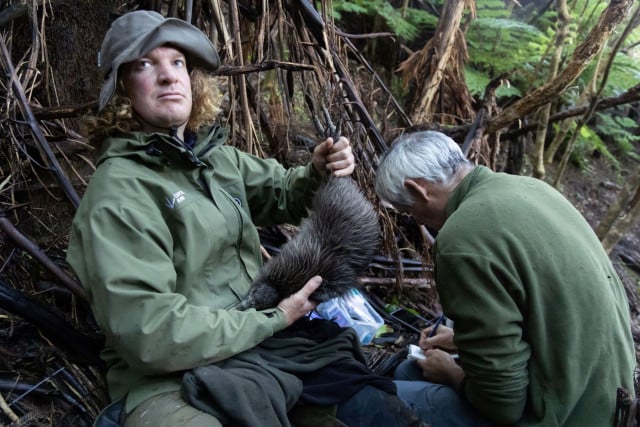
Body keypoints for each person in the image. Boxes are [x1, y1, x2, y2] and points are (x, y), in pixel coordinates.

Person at [67, 10, 424, 427]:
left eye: (177, 62)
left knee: (379, 412)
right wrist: (271, 318)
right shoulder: (118, 194)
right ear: (122, 89)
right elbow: (151, 334)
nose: (168, 76)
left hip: (265, 347)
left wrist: (320, 169)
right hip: (172, 378)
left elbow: (284, 193)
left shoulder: (215, 159)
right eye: (145, 65)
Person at [376, 130, 637, 426]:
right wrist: (464, 342)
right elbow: (544, 312)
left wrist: (452, 373)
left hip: (563, 415)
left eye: (409, 210)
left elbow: (502, 404)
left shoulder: (461, 239)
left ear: (418, 190)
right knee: (408, 372)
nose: (416, 220)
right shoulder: (531, 188)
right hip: (608, 398)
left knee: (380, 401)